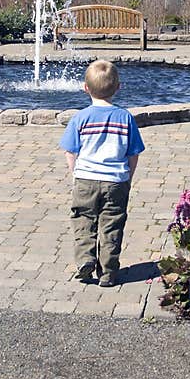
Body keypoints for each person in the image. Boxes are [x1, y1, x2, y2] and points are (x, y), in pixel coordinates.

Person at [59, 60, 145, 287]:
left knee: (83, 220)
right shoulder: (125, 118)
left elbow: (70, 151)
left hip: (85, 179)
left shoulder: (80, 118)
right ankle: (107, 272)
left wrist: (76, 173)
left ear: (85, 88)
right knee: (112, 225)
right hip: (116, 181)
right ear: (118, 88)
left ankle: (85, 260)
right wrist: (128, 176)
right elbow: (133, 153)